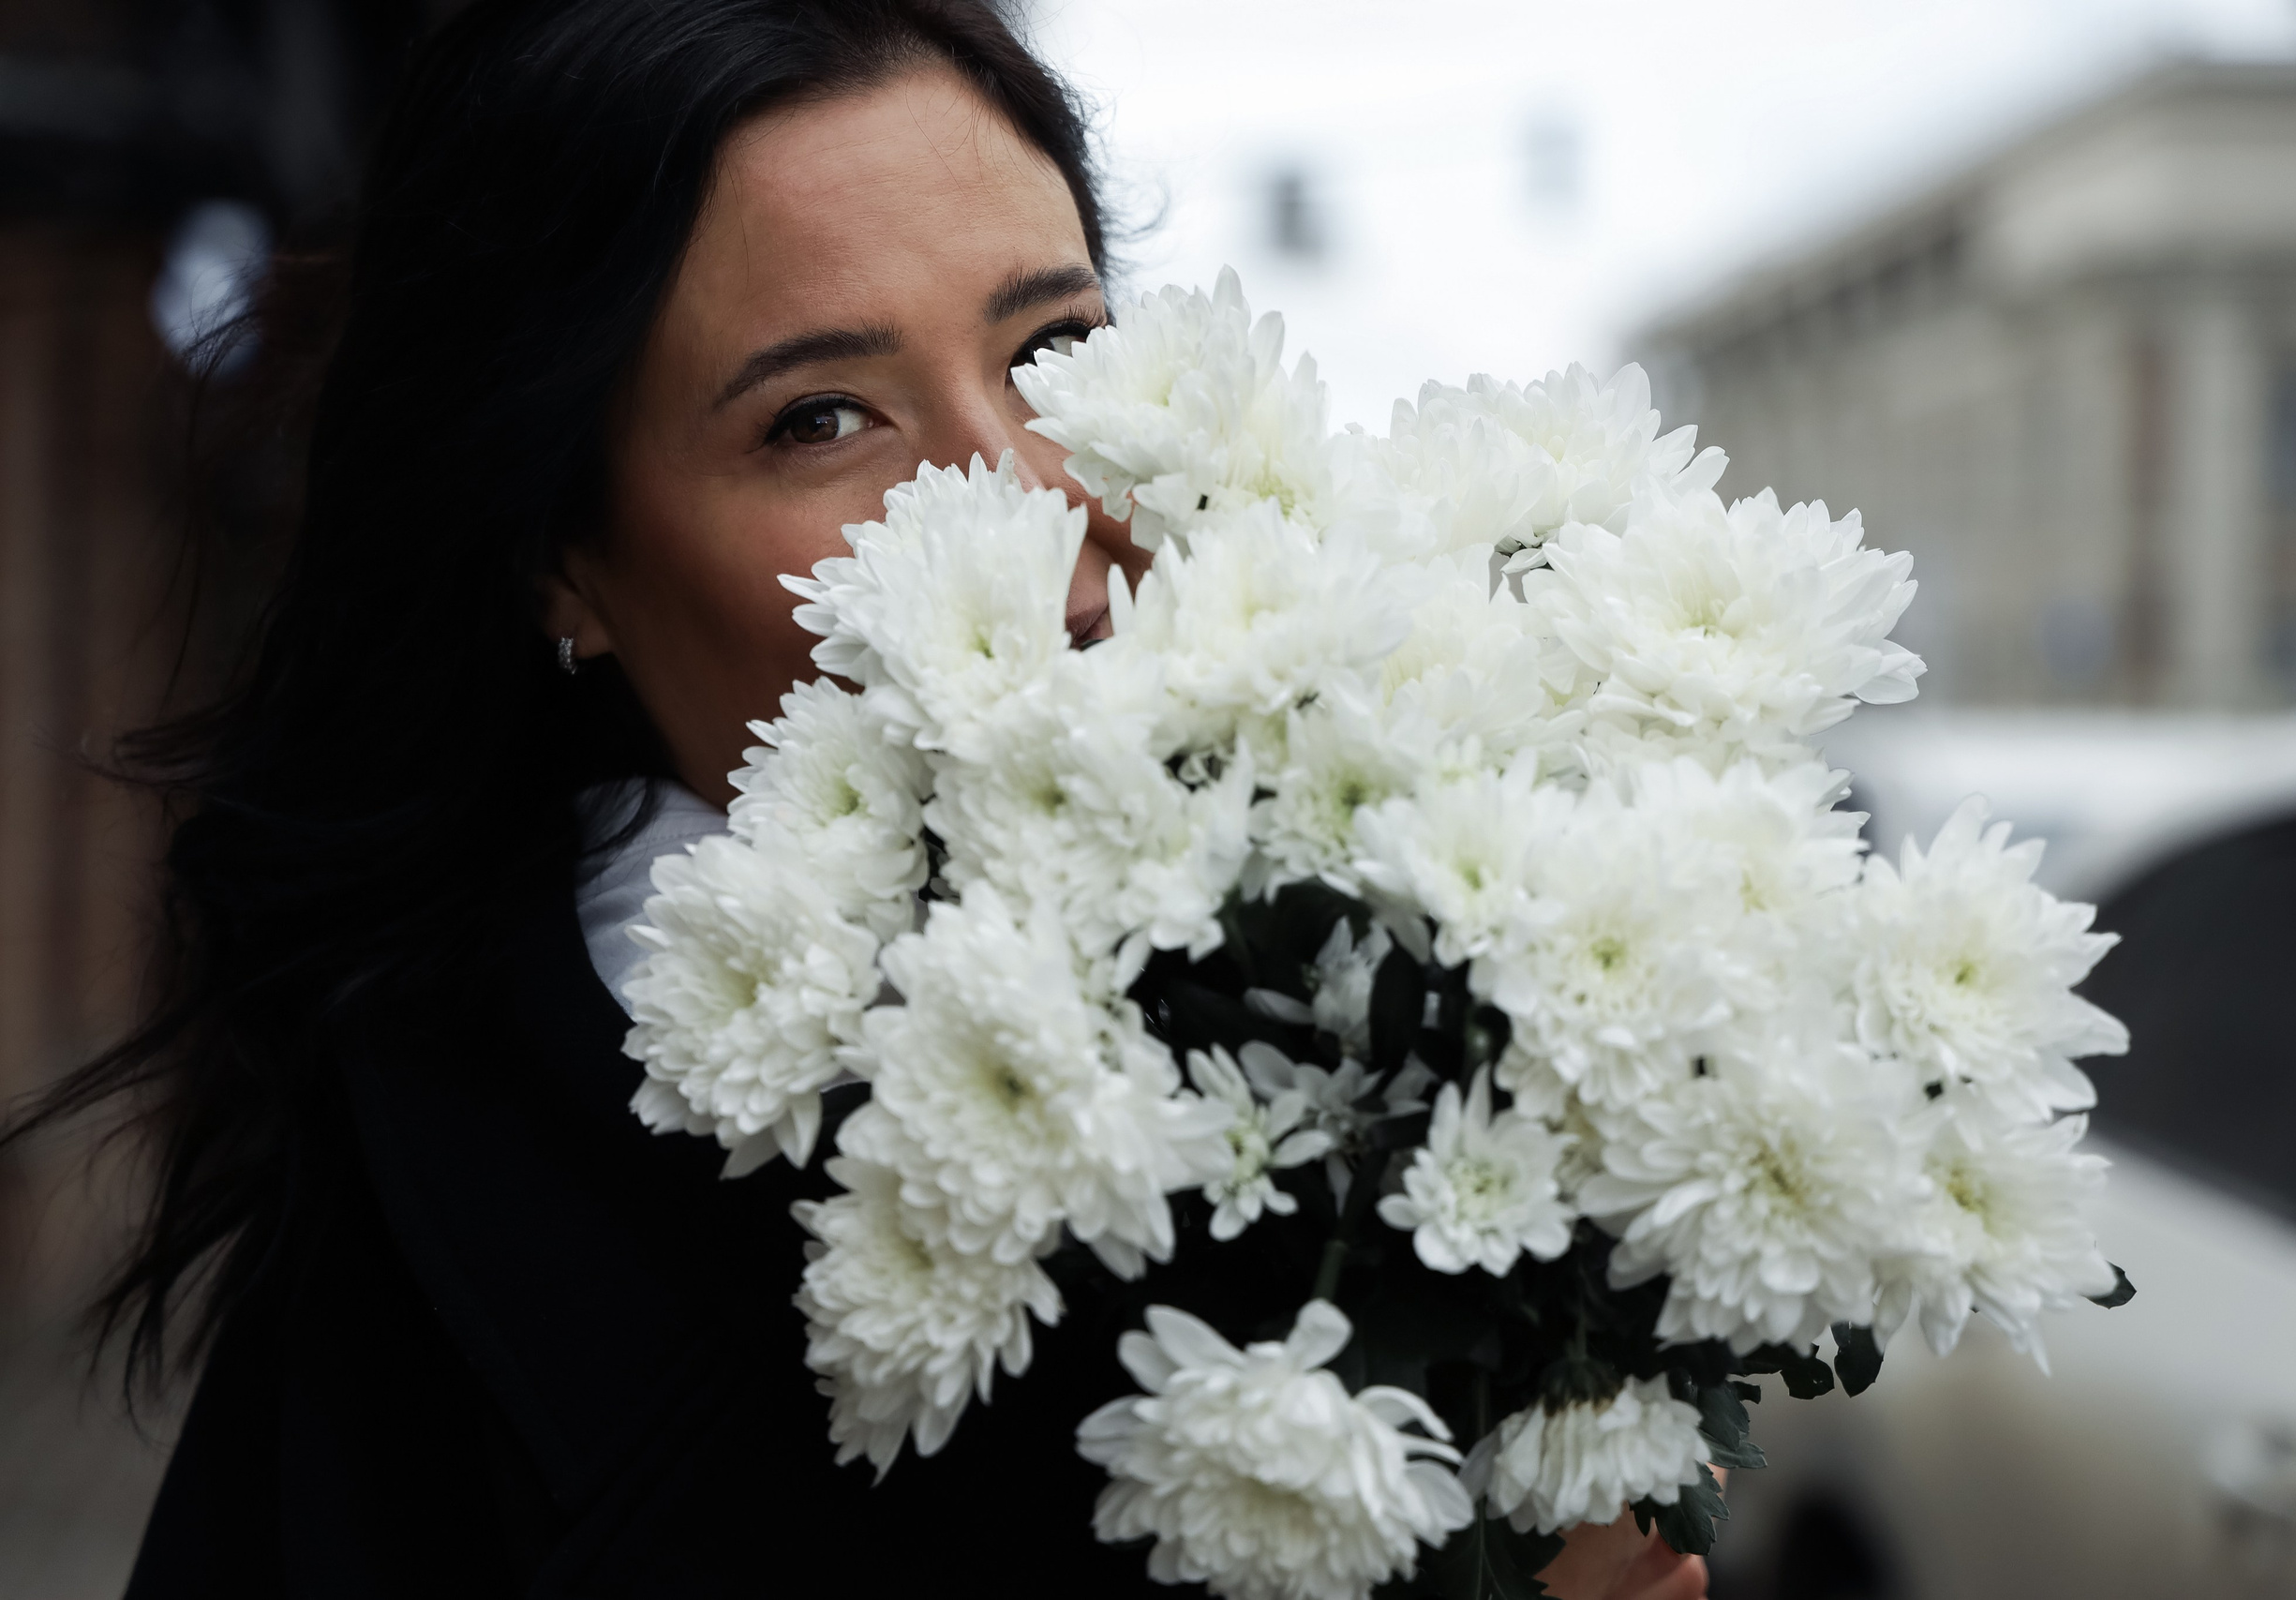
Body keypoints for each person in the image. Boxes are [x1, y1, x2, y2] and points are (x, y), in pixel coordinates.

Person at [9, 2, 1709, 1594]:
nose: (1035, 507)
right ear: (559, 558)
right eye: (823, 418)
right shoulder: (467, 1336)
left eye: (1054, 350)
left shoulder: (1338, 1026)